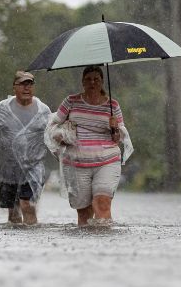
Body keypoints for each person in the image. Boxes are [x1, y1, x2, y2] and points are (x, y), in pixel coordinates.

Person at [45, 66, 133, 227]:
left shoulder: (113, 105)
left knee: (102, 203)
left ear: (102, 82)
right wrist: (60, 136)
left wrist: (114, 127)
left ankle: (105, 245)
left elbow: (118, 138)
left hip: (107, 160)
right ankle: (87, 248)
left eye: (96, 79)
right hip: (76, 162)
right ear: (83, 82)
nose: (92, 82)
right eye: (88, 79)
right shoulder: (71, 101)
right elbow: (52, 126)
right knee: (84, 213)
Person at [0, 71, 51, 225]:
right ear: (14, 87)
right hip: (8, 170)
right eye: (23, 84)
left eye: (30, 84)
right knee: (13, 213)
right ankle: (16, 244)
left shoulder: (43, 111)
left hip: (33, 168)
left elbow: (53, 135)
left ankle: (32, 239)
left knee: (27, 204)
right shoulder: (3, 108)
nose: (27, 88)